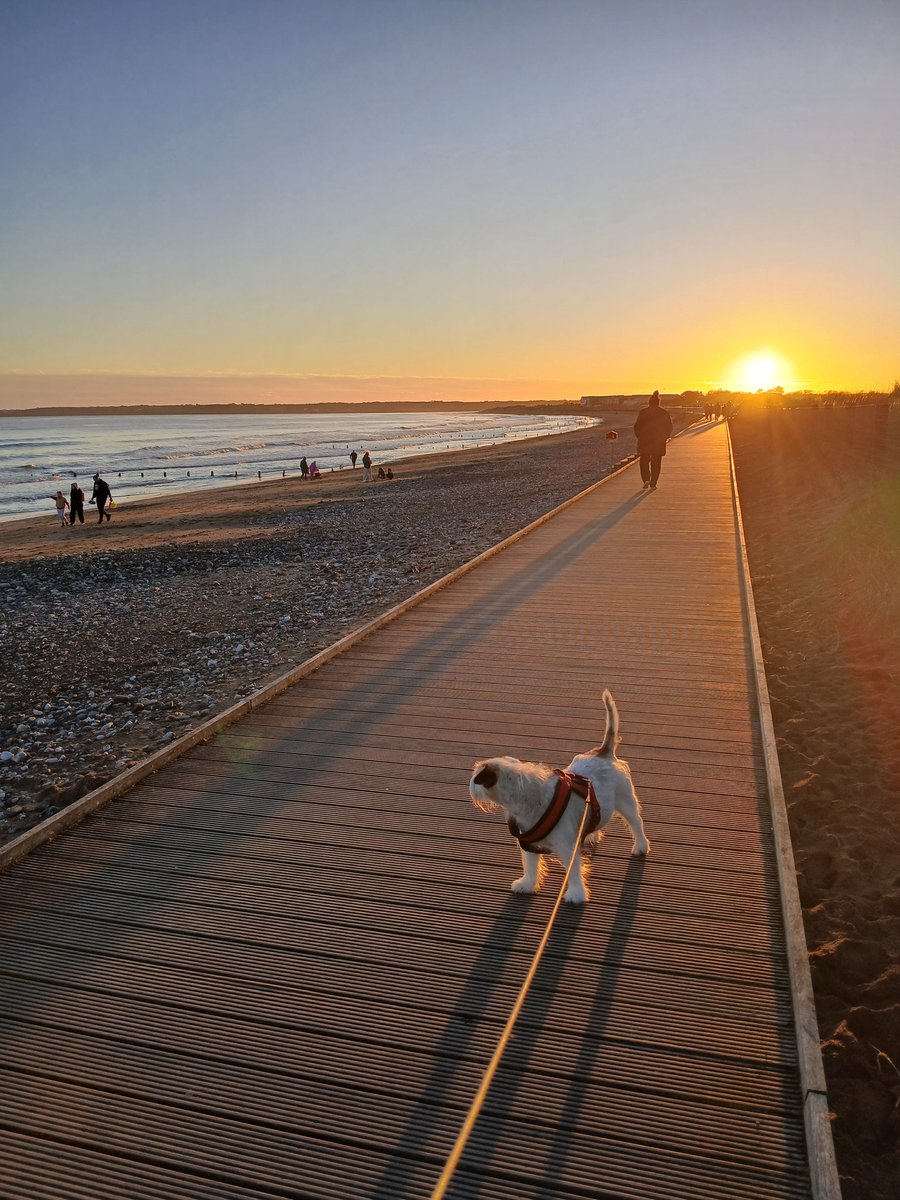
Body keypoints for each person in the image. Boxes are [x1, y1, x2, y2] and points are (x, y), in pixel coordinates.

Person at [633, 390, 673, 490]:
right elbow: (669, 427)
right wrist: (665, 436)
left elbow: (636, 427)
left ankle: (646, 479)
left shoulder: (643, 412)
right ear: (658, 402)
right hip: (658, 441)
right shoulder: (664, 413)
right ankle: (653, 483)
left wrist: (640, 436)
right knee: (656, 462)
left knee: (644, 461)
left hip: (645, 440)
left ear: (649, 402)